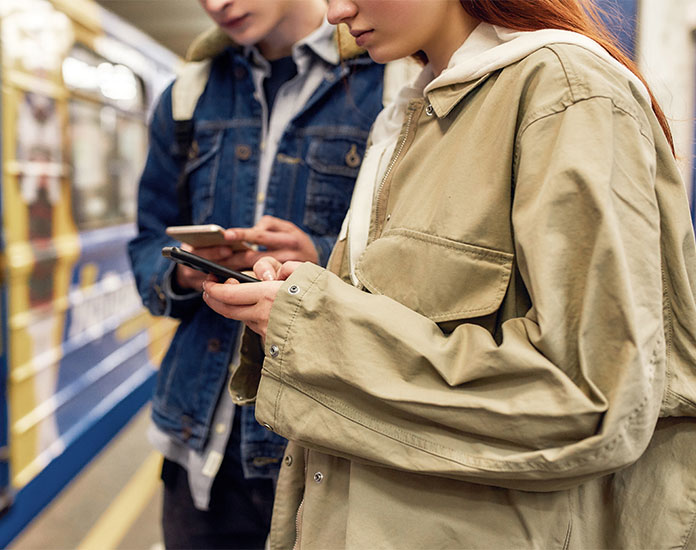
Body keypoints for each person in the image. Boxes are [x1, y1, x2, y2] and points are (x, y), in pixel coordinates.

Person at [202, 0, 696, 548]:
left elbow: (593, 400)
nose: (336, 12)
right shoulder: (412, 111)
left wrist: (313, 326)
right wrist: (312, 292)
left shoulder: (564, 91)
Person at [127, 0, 386, 547]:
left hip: (319, 450)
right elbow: (149, 241)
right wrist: (184, 273)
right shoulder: (189, 92)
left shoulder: (391, 78)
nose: (217, 4)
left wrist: (320, 260)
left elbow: (419, 266)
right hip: (196, 449)